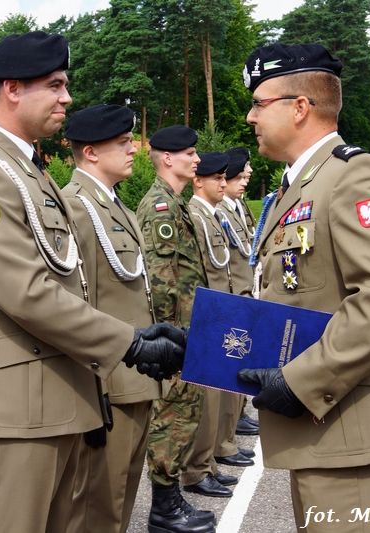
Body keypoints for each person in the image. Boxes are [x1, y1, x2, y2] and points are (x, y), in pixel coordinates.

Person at [0, 31, 186, 533]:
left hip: (58, 399)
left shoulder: (28, 172)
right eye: (54, 85)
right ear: (12, 89)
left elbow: (74, 284)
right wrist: (129, 343)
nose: (66, 98)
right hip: (15, 410)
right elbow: (26, 293)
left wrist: (134, 334)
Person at [237, 43, 370, 532]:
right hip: (325, 434)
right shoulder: (300, 185)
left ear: (300, 107)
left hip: (349, 433)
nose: (250, 116)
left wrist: (300, 381)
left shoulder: (354, 175)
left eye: (258, 103)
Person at [60, 104, 162, 533]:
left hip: (133, 378)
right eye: (122, 143)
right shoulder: (74, 207)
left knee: (119, 501)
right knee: (99, 508)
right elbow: (74, 304)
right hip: (108, 384)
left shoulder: (112, 205)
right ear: (91, 152)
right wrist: (94, 388)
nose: (134, 149)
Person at [137, 125, 216, 533]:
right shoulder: (160, 208)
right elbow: (161, 280)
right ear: (167, 158)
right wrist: (171, 337)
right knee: (173, 415)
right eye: (190, 153)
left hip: (189, 329)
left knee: (185, 413)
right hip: (177, 335)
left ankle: (170, 501)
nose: (197, 159)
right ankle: (164, 509)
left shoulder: (175, 203)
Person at [180, 152, 244, 498]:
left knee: (218, 394)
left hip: (223, 311)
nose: (223, 183)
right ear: (198, 181)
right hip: (209, 315)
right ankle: (198, 467)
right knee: (206, 399)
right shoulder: (195, 215)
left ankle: (209, 462)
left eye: (224, 177)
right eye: (216, 178)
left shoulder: (213, 215)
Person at [218, 148, 260, 443]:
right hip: (233, 295)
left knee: (242, 358)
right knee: (232, 359)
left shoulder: (238, 207)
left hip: (245, 291)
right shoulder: (220, 211)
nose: (246, 179)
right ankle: (228, 426)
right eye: (241, 175)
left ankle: (238, 413)